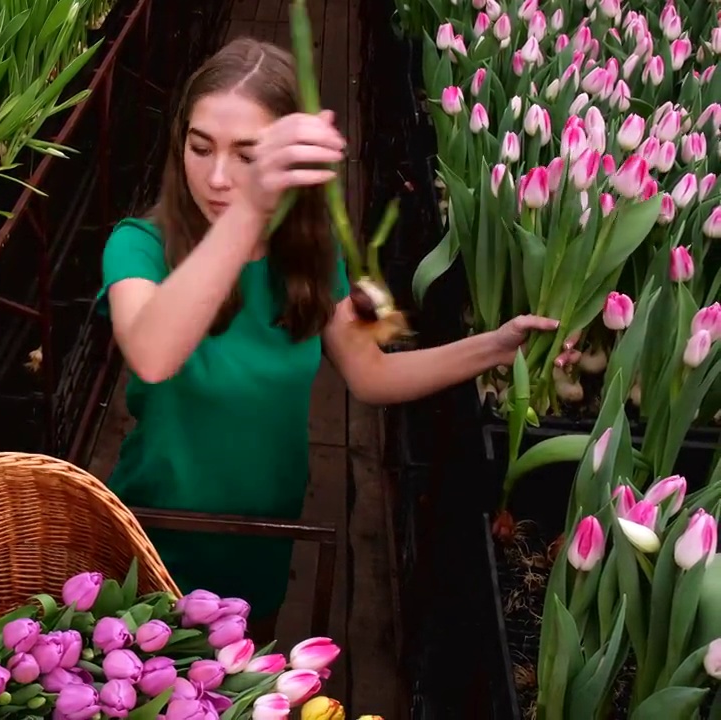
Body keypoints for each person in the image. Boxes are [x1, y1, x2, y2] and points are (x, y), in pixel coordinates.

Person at [95, 37, 558, 641]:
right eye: (199, 146)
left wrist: (493, 347)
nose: (216, 177)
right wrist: (251, 207)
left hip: (264, 534)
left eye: (247, 156)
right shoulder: (137, 246)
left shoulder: (313, 258)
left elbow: (372, 373)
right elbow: (153, 355)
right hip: (157, 533)